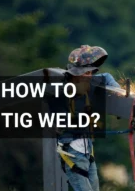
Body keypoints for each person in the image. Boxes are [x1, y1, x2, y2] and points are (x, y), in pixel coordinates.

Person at [47, 45, 120, 191]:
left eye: (90, 72)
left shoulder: (89, 82)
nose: (89, 76)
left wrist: (118, 90)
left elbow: (106, 77)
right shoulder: (60, 90)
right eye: (85, 73)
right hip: (71, 150)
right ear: (75, 74)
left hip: (87, 148)